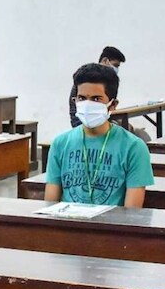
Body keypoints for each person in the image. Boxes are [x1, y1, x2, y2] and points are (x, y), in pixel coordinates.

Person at [46, 63, 154, 208]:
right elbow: (50, 205)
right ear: (74, 101)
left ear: (113, 104)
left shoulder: (133, 147)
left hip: (112, 222)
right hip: (67, 221)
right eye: (82, 98)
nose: (87, 105)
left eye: (96, 99)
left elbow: (131, 212)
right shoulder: (60, 143)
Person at [69, 46, 126, 127]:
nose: (116, 69)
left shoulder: (110, 81)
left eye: (96, 99)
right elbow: (73, 110)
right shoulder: (85, 78)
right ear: (105, 60)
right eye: (115, 65)